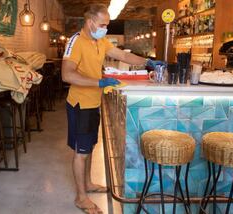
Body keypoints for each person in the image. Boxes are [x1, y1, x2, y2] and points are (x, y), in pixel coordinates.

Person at [62, 4, 165, 214]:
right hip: (80, 104)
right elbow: (67, 75)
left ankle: (88, 184)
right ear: (90, 22)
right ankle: (81, 198)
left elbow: (124, 56)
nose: (105, 29)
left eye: (107, 25)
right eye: (102, 24)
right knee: (81, 152)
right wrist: (99, 82)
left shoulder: (100, 40)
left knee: (89, 146)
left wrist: (148, 62)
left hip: (93, 102)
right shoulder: (76, 41)